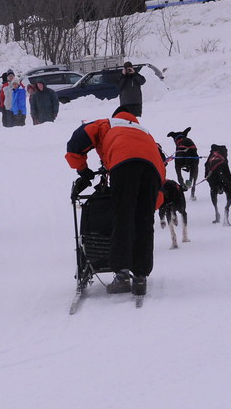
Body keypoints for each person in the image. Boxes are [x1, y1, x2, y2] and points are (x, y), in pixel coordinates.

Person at [65, 106, 166, 296]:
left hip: (123, 164)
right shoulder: (145, 132)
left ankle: (122, 275)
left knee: (123, 217)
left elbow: (76, 142)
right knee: (144, 221)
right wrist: (154, 202)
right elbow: (161, 166)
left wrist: (83, 170)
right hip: (152, 168)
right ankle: (141, 276)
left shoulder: (106, 123)